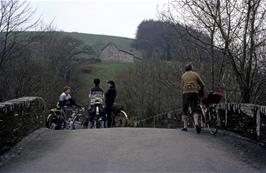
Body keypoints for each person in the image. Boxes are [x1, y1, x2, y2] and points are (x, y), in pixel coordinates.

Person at [181, 64, 204, 133]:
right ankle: (196, 123)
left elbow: (182, 85)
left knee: (184, 109)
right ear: (191, 68)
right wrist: (200, 90)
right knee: (194, 109)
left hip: (186, 93)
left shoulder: (183, 75)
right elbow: (202, 84)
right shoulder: (195, 74)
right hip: (194, 92)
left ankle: (185, 127)